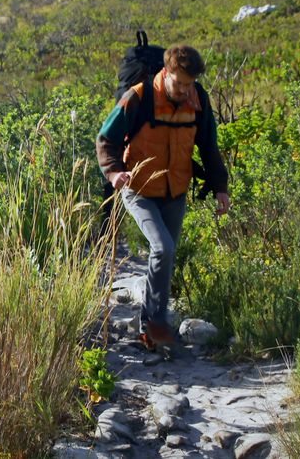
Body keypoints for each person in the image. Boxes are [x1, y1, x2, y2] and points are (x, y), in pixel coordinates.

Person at [95, 44, 230, 349]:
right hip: (138, 189)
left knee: (165, 258)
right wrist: (115, 173)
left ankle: (153, 326)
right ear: (166, 72)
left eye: (190, 83)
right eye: (180, 82)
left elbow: (209, 146)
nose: (185, 89)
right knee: (163, 247)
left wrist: (220, 186)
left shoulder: (198, 100)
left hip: (175, 190)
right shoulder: (139, 97)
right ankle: (154, 324)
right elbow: (106, 138)